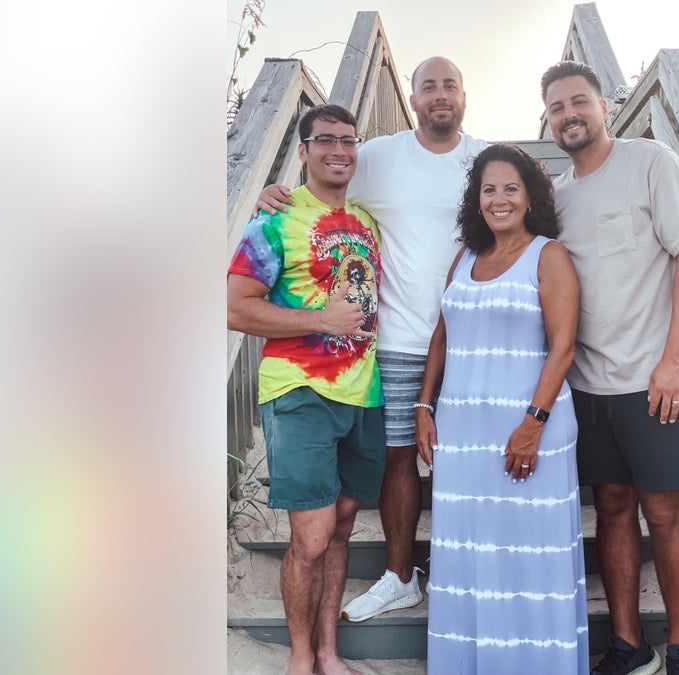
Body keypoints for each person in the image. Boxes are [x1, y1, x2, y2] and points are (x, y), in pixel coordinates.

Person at [256, 57, 488, 622]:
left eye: (449, 85)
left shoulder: (488, 160)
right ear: (412, 98)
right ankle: (401, 577)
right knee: (397, 459)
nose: (439, 95)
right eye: (427, 85)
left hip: (478, 338)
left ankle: (473, 573)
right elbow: (323, 179)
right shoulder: (379, 155)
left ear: (464, 95)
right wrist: (274, 191)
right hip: (402, 336)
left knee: (474, 459)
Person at [541, 60, 679, 675]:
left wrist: (675, 359)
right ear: (548, 119)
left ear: (605, 104)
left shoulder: (649, 162)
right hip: (589, 385)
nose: (569, 115)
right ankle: (627, 643)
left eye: (578, 102)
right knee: (612, 506)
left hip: (655, 379)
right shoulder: (556, 199)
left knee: (665, 511)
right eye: (557, 107)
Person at [414, 143, 587, 673]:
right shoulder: (464, 258)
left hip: (529, 429)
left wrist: (532, 425)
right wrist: (425, 404)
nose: (499, 199)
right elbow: (442, 333)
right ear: (477, 199)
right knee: (469, 555)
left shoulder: (548, 255)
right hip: (464, 436)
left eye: (511, 188)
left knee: (528, 560)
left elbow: (563, 347)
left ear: (530, 196)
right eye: (489, 189)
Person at [227, 104, 382, 675]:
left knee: (341, 527)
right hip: (298, 391)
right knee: (312, 537)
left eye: (348, 140)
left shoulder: (368, 221)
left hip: (363, 393)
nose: (338, 150)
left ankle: (327, 651)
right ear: (303, 150)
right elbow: (234, 307)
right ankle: (299, 656)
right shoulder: (275, 220)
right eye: (325, 140)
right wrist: (320, 321)